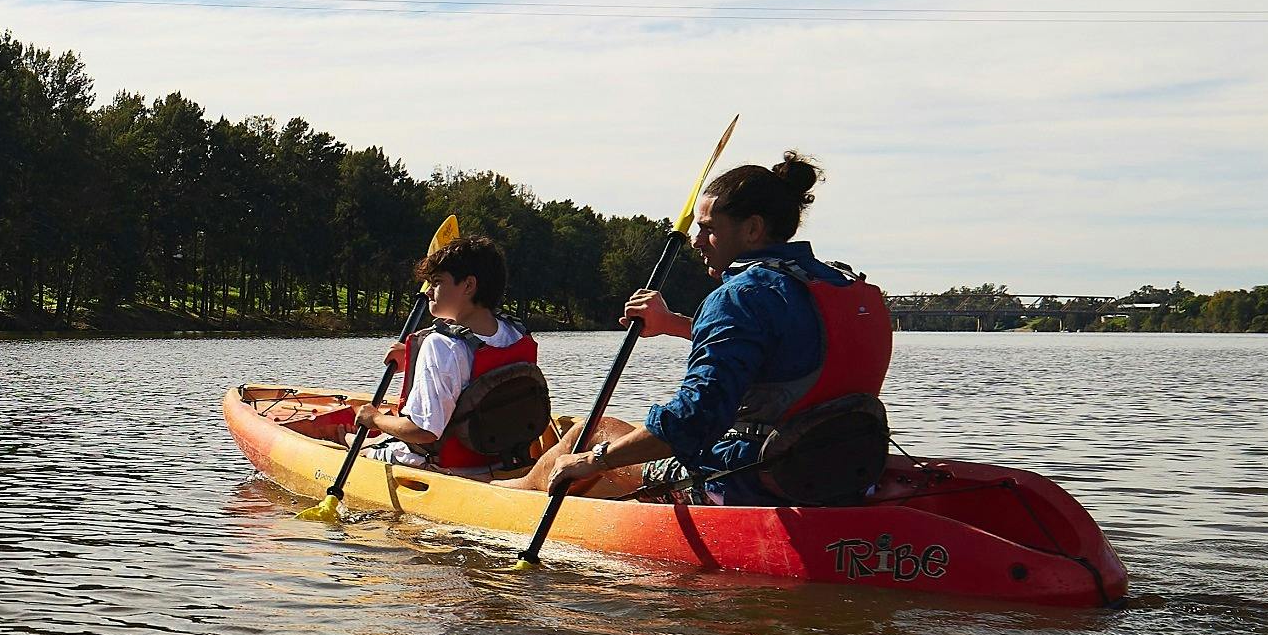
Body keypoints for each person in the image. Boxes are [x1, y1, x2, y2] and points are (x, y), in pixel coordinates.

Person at [526, 151, 894, 507]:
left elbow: (692, 422)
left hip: (748, 481)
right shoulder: (845, 287)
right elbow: (783, 357)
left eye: (708, 229)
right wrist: (673, 324)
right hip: (843, 472)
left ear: (752, 229)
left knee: (591, 434)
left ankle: (506, 492)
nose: (696, 241)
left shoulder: (740, 297)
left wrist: (594, 461)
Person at [355, 233, 552, 473]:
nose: (428, 291)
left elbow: (424, 431)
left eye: (436, 282)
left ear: (468, 285)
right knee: (380, 438)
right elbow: (477, 369)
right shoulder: (516, 333)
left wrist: (374, 418)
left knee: (355, 445)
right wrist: (412, 359)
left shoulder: (441, 345)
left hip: (451, 467)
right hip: (503, 459)